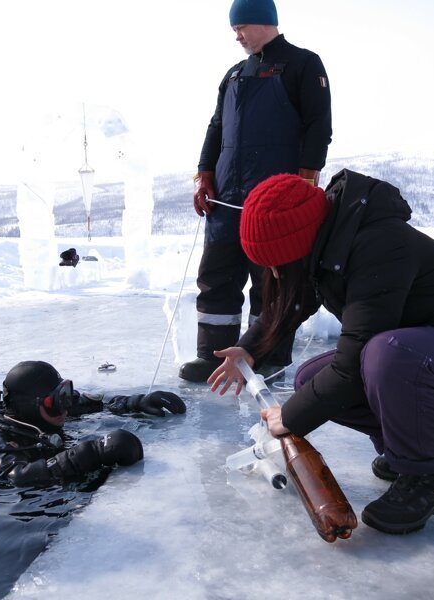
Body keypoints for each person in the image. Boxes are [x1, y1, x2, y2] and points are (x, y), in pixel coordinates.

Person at [208, 170, 434, 534]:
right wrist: (249, 348)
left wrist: (289, 417)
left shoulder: (378, 243)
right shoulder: (331, 240)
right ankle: (409, 450)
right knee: (313, 378)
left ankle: (432, 471)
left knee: (388, 356)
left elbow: (353, 366)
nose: (273, 272)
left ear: (297, 244)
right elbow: (295, 304)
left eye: (275, 262)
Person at [180, 0, 332, 383]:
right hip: (226, 196)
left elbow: (319, 126)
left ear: (264, 22)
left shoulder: (303, 64)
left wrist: (306, 181)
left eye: (241, 27)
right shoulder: (233, 74)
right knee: (216, 278)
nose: (237, 36)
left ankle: (265, 356)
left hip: (275, 199)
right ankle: (212, 356)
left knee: (273, 282)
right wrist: (204, 174)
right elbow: (216, 126)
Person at [0, 360, 186, 486]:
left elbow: (95, 402)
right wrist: (91, 452)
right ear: (30, 405)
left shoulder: (44, 413)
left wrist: (136, 402)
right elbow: (17, 476)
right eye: (56, 401)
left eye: (65, 397)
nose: (65, 407)